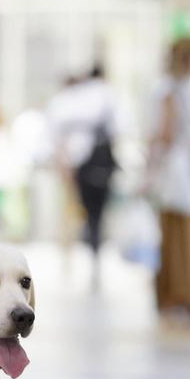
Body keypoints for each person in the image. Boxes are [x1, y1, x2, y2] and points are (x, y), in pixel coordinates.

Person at [47, 65, 119, 283]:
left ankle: (72, 256)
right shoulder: (97, 100)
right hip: (84, 165)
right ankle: (73, 255)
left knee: (75, 212)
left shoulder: (70, 104)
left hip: (78, 165)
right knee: (80, 213)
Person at [147, 38, 190, 323]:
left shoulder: (171, 89)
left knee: (175, 236)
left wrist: (151, 164)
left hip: (176, 170)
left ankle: (177, 293)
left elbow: (165, 132)